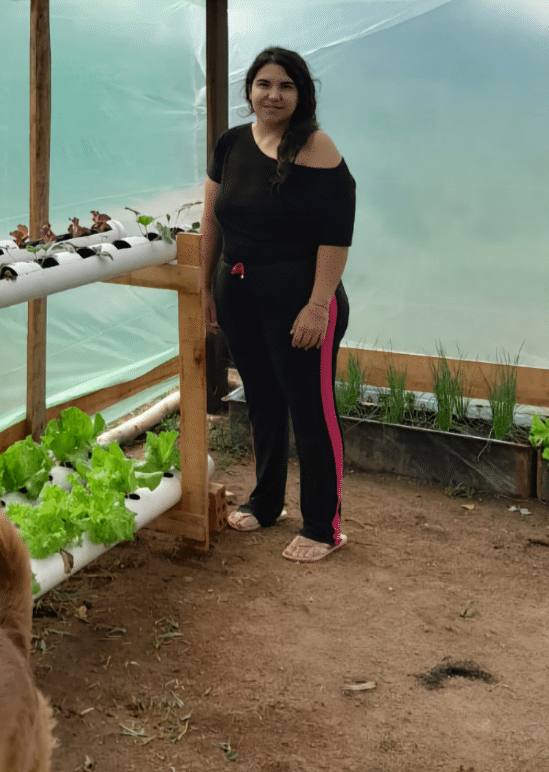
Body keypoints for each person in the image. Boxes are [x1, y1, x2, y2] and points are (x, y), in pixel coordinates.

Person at [199, 46, 356, 562]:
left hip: (300, 301)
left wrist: (318, 306)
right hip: (239, 292)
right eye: (264, 84)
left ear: (300, 93)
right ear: (249, 91)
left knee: (312, 410)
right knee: (262, 401)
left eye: (285, 86)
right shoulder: (231, 144)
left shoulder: (317, 148)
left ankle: (322, 526)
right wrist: (204, 288)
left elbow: (336, 237)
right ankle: (266, 502)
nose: (273, 95)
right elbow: (212, 220)